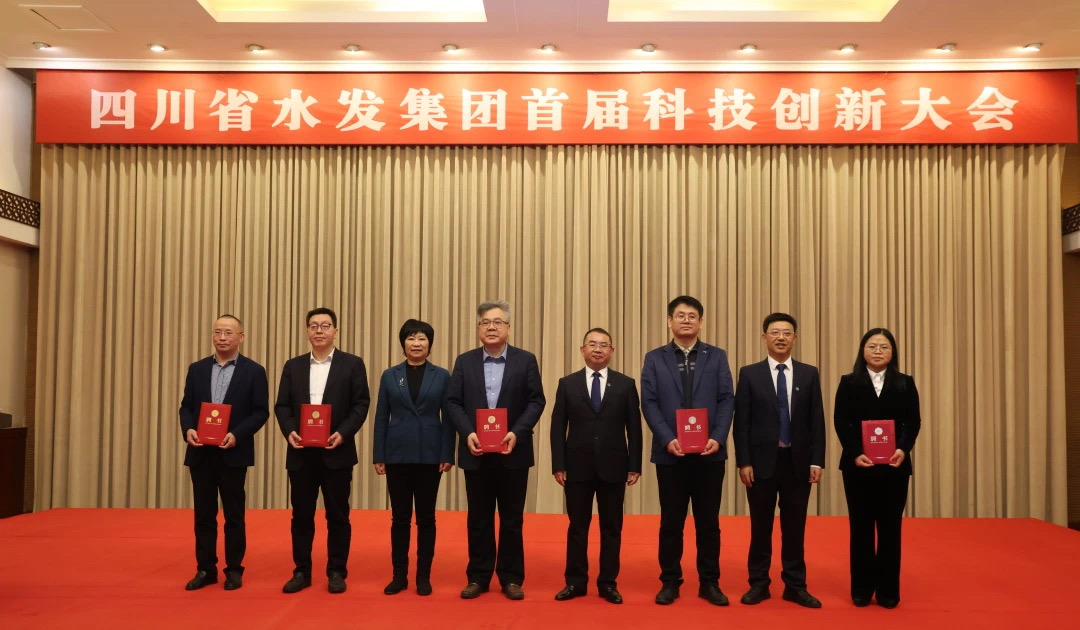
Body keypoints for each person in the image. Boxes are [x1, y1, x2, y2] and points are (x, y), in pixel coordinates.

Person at [445, 300, 546, 601]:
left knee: (512, 519)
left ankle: (511, 578)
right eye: (486, 322)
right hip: (475, 451)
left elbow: (536, 401)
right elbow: (453, 402)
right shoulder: (464, 361)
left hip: (513, 452)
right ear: (478, 328)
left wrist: (517, 432)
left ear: (508, 328)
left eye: (498, 322)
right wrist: (468, 433)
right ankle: (478, 576)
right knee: (479, 518)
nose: (492, 327)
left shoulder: (525, 360)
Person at [640, 295, 735, 606]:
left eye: (692, 316)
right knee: (671, 522)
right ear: (669, 321)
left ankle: (710, 582)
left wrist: (718, 437)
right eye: (680, 315)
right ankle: (670, 581)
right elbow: (649, 402)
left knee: (709, 523)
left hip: (710, 453)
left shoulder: (717, 356)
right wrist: (667, 437)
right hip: (671, 453)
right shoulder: (654, 358)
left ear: (701, 322)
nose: (686, 320)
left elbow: (727, 398)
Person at [275, 307, 371, 594]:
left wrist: (343, 433)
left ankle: (337, 571)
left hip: (336, 452)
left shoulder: (352, 364)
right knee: (301, 516)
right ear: (307, 331)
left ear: (335, 331)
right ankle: (301, 571)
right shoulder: (293, 366)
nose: (319, 330)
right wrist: (289, 431)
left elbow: (361, 404)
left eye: (325, 325)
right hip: (301, 453)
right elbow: (282, 406)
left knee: (338, 515)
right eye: (313, 326)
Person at [733, 313, 825, 608]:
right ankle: (758, 584)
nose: (781, 337)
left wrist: (817, 460)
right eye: (774, 332)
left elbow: (817, 421)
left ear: (795, 338)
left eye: (787, 333)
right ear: (764, 337)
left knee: (794, 528)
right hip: (760, 464)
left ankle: (795, 585)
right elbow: (742, 423)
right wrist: (744, 462)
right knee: (760, 527)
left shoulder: (809, 374)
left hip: (798, 463)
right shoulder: (750, 374)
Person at [550, 328, 643, 605]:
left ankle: (608, 583)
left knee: (611, 528)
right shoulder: (567, 384)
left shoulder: (625, 384)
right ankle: (575, 582)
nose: (598, 349)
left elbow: (634, 429)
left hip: (614, 466)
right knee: (577, 527)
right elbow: (557, 427)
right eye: (592, 344)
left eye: (604, 345)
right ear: (582, 350)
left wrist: (634, 464)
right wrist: (558, 464)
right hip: (576, 467)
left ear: (612, 351)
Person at [179, 314, 269, 591]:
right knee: (203, 515)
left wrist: (237, 435)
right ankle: (205, 569)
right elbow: (186, 407)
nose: (222, 337)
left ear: (241, 337)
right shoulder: (197, 369)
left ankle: (234, 569)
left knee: (234, 515)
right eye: (218, 332)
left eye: (228, 332)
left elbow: (260, 412)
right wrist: (188, 429)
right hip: (201, 453)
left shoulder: (254, 371)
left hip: (233, 452)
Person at [834, 327, 921, 609]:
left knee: (890, 529)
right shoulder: (849, 382)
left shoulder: (905, 383)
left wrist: (903, 449)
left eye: (884, 347)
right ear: (863, 351)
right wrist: (856, 453)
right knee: (860, 529)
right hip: (858, 466)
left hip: (894, 467)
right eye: (872, 346)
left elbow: (913, 422)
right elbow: (841, 421)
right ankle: (861, 589)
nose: (878, 351)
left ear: (892, 352)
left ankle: (888, 591)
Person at [372, 319, 455, 596]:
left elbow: (449, 419)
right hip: (397, 454)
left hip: (431, 455)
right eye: (411, 338)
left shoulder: (442, 376)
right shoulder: (390, 375)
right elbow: (381, 417)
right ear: (403, 343)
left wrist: (447, 453)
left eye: (421, 339)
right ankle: (399, 575)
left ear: (430, 344)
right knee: (400, 518)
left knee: (427, 518)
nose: (416, 344)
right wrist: (379, 454)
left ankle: (423, 576)